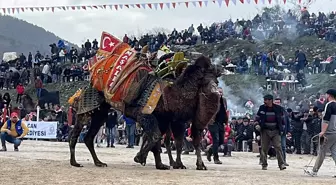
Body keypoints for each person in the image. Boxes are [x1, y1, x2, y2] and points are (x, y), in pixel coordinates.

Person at [306, 89, 336, 177]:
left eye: (326, 95)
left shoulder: (329, 105)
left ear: (329, 95)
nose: (325, 96)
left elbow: (326, 119)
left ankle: (314, 171)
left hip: (329, 132)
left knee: (321, 152)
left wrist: (323, 131)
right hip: (335, 133)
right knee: (334, 152)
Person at [255, 94, 286, 170]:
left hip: (276, 130)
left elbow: (282, 120)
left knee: (278, 147)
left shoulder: (279, 108)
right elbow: (257, 118)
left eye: (266, 100)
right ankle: (264, 164)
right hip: (265, 130)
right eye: (264, 99)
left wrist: (282, 129)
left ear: (270, 100)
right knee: (264, 148)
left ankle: (281, 164)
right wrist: (257, 125)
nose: (264, 101)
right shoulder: (262, 108)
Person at [207, 87, 228, 164]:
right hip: (213, 122)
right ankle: (216, 158)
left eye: (221, 92)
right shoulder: (211, 101)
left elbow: (225, 111)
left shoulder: (224, 100)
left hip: (221, 122)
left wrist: (225, 121)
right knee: (216, 140)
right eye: (218, 92)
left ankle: (210, 150)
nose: (220, 94)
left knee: (221, 140)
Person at [273, 98, 291, 166]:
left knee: (283, 147)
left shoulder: (284, 111)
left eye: (278, 102)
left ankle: (283, 161)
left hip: (283, 132)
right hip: (274, 132)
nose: (277, 103)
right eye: (276, 102)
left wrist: (288, 130)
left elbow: (287, 121)